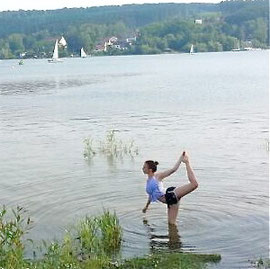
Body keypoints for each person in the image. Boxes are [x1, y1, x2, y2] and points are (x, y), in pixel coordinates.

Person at [142, 151, 198, 225]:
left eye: (144, 167)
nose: (142, 168)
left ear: (150, 170)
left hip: (171, 194)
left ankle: (187, 162)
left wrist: (181, 159)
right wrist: (146, 207)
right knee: (171, 224)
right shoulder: (148, 181)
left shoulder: (158, 176)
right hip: (170, 201)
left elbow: (173, 170)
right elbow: (151, 195)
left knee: (194, 184)